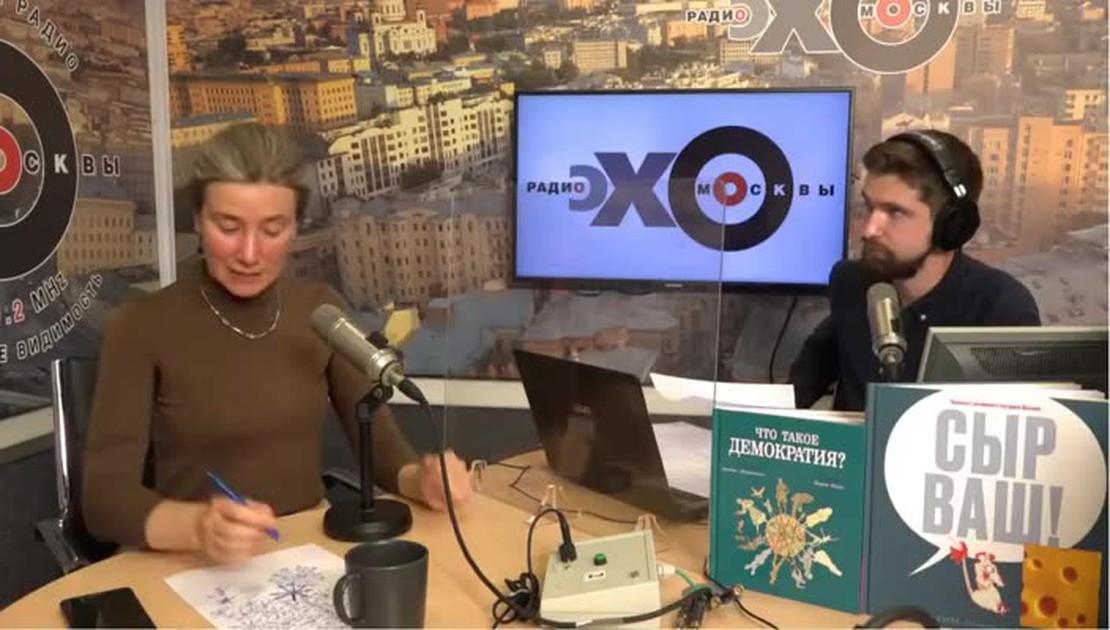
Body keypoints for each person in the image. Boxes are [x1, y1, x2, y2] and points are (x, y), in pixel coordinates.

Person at [82, 122, 472, 565]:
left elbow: (383, 454)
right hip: (189, 562)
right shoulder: (140, 324)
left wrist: (422, 481)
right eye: (228, 226)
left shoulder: (321, 310)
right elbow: (103, 498)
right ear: (198, 220)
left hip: (302, 555)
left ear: (294, 228)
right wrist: (197, 527)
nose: (249, 254)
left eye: (272, 229)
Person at [789, 129, 1040, 411]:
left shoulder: (1000, 308)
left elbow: (1013, 424)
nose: (869, 229)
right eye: (868, 207)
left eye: (895, 212)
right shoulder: (851, 282)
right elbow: (801, 384)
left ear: (951, 225)